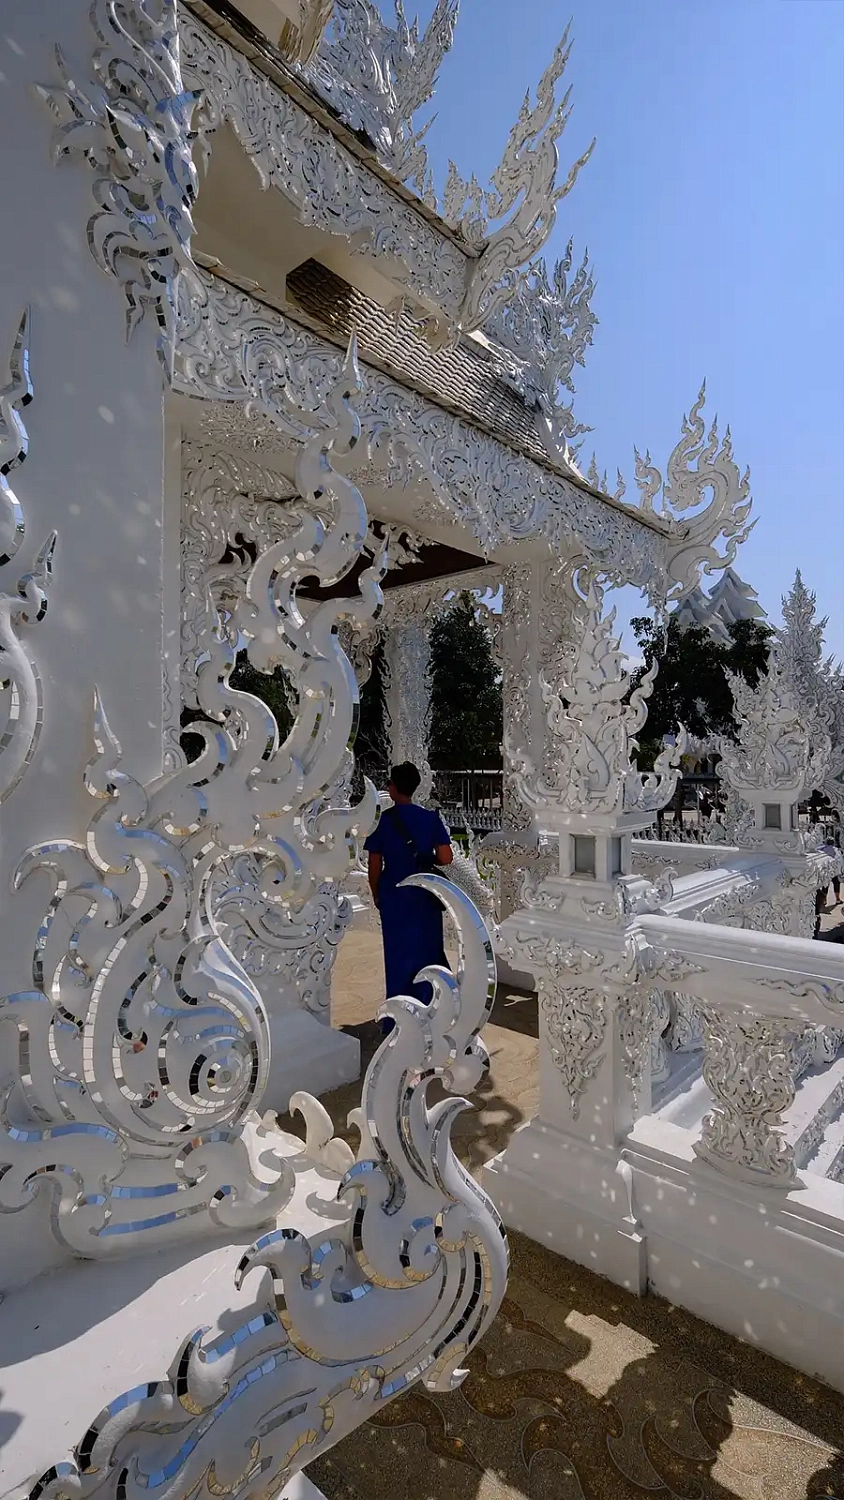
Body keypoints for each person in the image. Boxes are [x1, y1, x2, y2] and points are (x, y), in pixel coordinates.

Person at [365, 762, 453, 1019]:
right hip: (424, 892)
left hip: (394, 893)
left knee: (397, 953)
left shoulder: (384, 822)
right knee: (428, 950)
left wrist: (376, 893)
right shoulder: (430, 819)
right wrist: (426, 858)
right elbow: (446, 857)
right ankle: (432, 1009)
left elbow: (374, 864)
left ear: (393, 788)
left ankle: (398, 1015)